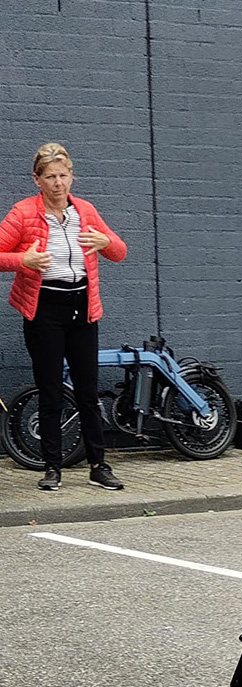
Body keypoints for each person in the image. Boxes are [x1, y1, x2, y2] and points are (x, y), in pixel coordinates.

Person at [0, 143, 127, 491]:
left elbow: (120, 252)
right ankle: (52, 467)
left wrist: (106, 242)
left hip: (83, 307)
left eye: (63, 175)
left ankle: (99, 465)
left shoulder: (85, 210)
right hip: (44, 310)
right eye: (50, 176)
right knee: (51, 390)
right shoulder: (24, 213)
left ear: (72, 176)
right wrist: (21, 261)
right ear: (37, 180)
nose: (58, 183)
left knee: (87, 391)